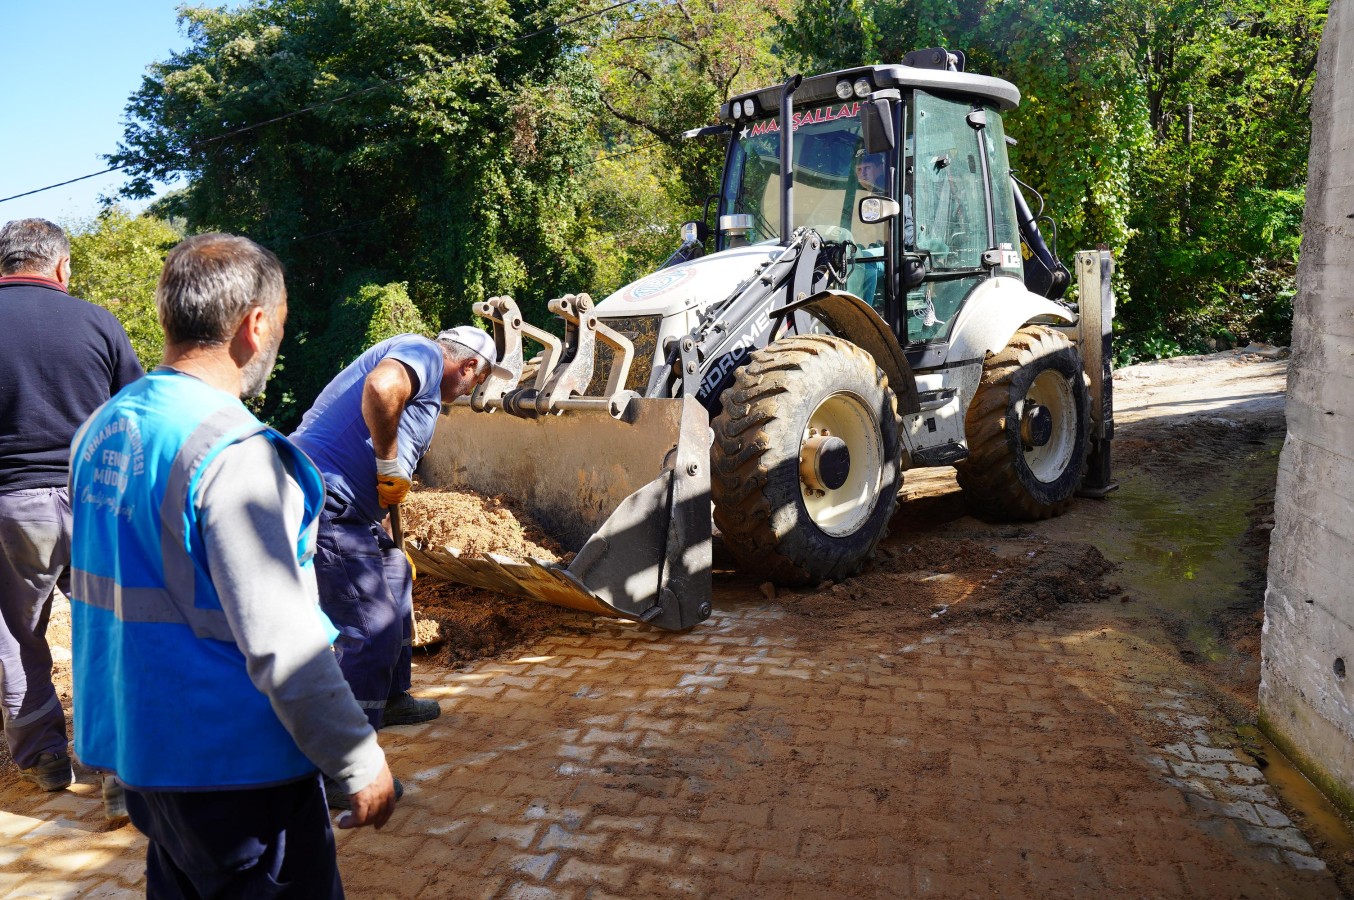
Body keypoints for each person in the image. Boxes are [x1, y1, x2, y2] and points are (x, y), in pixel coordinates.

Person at [68, 233, 396, 896]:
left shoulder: (102, 428)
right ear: (255, 324)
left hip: (144, 753)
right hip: (236, 769)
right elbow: (283, 638)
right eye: (280, 324)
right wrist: (357, 758)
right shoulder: (233, 453)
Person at [290, 327, 508, 806]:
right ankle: (339, 770)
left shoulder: (425, 378)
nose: (470, 391)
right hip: (325, 500)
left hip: (351, 507)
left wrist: (388, 520)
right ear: (469, 365)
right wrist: (388, 465)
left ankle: (389, 698)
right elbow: (381, 388)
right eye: (478, 381)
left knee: (395, 575)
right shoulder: (424, 352)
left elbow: (390, 453)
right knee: (370, 630)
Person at [0, 219, 142, 795]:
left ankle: (45, 758)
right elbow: (134, 414)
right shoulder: (98, 321)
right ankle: (118, 772)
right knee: (107, 629)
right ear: (61, 266)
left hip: (13, 507)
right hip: (97, 501)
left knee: (17, 635)